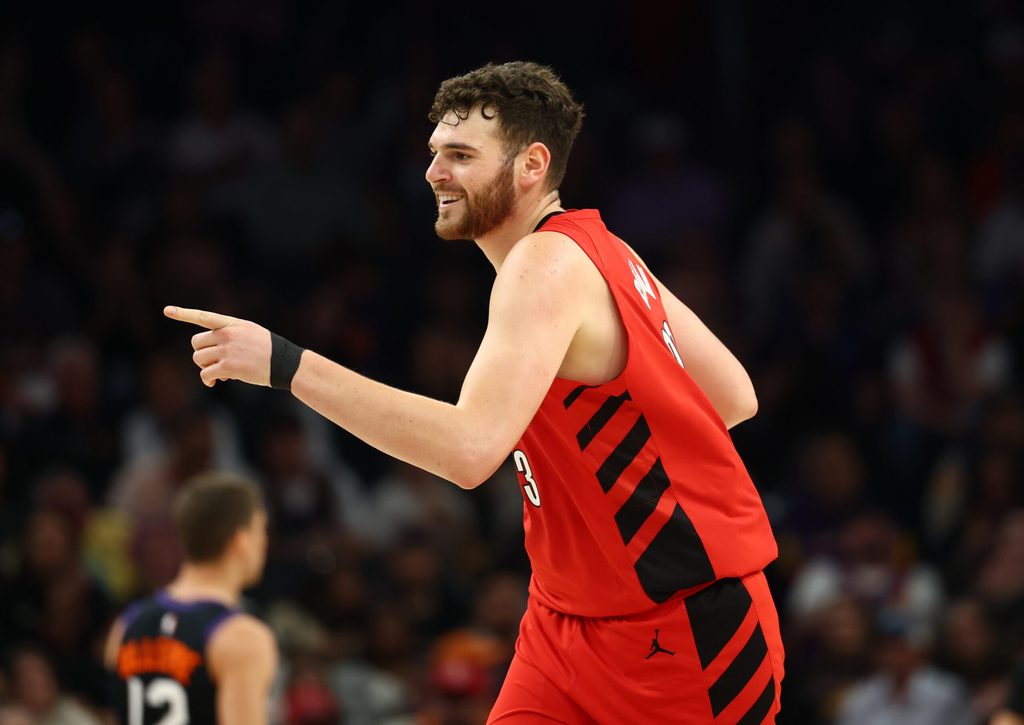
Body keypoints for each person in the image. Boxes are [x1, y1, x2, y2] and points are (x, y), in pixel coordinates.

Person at [165, 61, 783, 723]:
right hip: (564, 622)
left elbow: (468, 451)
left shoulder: (542, 267)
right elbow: (732, 395)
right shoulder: (603, 249)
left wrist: (285, 364)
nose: (435, 172)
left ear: (531, 164)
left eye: (461, 155)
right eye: (434, 152)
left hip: (683, 627)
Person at [103, 472, 277, 724]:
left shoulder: (125, 626)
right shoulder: (241, 637)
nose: (265, 543)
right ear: (242, 540)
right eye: (262, 531)